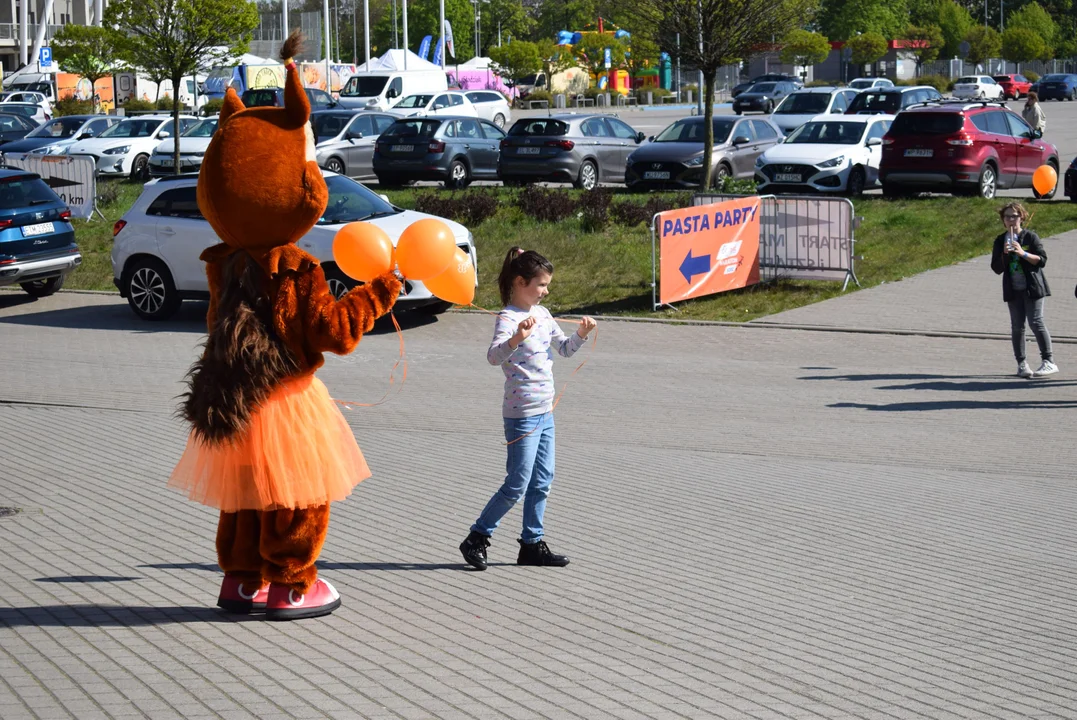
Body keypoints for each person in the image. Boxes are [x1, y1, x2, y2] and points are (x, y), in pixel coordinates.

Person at [459, 248, 597, 571]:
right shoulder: (507, 318)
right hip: (521, 416)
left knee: (543, 479)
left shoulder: (545, 314)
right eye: (541, 284)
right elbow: (493, 357)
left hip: (545, 413)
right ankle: (477, 537)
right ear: (521, 282)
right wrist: (515, 340)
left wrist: (580, 334)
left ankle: (531, 545)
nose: (546, 290)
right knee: (517, 483)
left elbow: (563, 350)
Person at [990, 202, 1057, 378]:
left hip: (1033, 287)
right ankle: (1022, 364)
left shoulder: (1030, 237)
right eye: (1007, 217)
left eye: (1015, 216)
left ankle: (1048, 361)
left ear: (1022, 217)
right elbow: (996, 268)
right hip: (1013, 289)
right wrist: (1004, 254)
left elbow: (1042, 260)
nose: (1011, 220)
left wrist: (1023, 253)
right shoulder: (1000, 240)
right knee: (1017, 327)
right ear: (1003, 221)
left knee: (1036, 322)